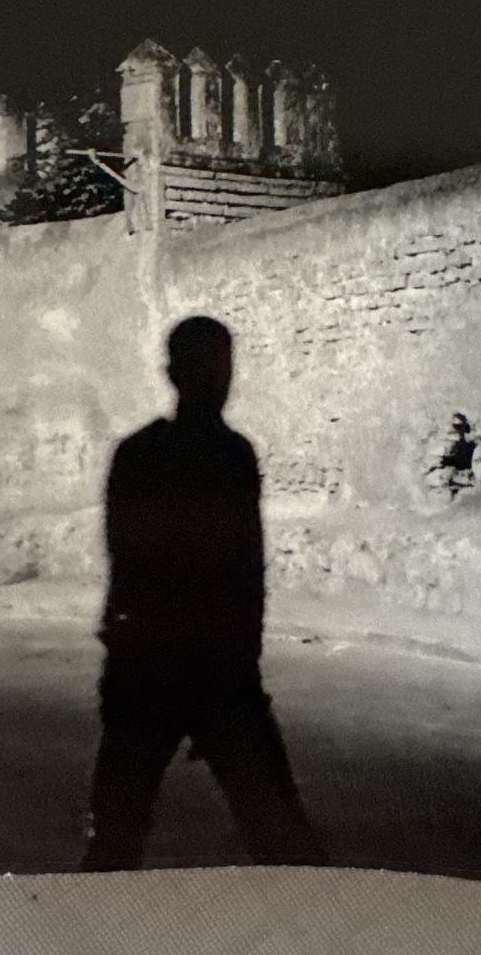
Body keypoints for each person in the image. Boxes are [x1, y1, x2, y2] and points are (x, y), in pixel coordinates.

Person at [80, 315, 324, 870]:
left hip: (153, 667)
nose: (220, 380)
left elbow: (126, 569)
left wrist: (120, 663)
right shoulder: (231, 456)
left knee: (117, 834)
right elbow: (245, 573)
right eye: (214, 368)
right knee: (278, 833)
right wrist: (242, 670)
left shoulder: (139, 455)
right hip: (213, 670)